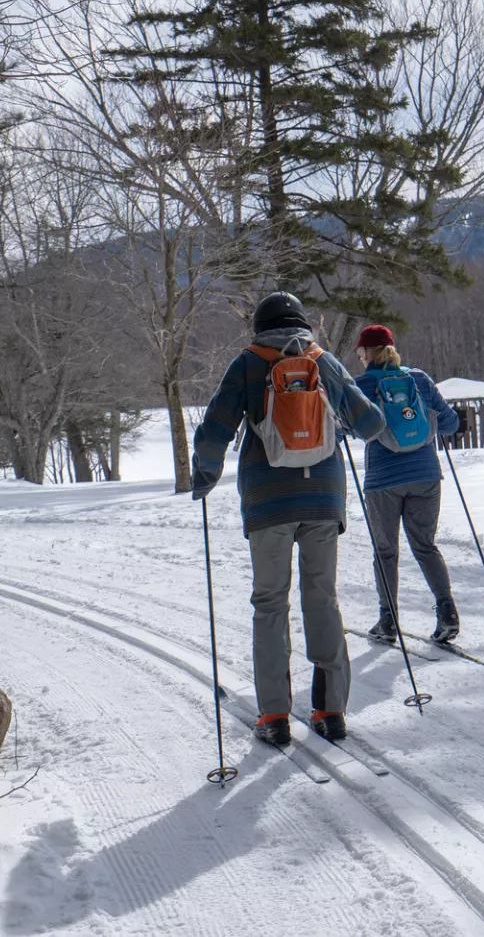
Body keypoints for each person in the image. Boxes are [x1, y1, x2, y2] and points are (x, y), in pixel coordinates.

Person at [192, 292, 385, 747]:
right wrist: (337, 424)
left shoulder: (247, 363)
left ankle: (275, 716)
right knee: (322, 598)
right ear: (303, 324)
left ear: (259, 326)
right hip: (324, 498)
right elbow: (371, 423)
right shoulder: (325, 361)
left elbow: (215, 429)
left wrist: (205, 476)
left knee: (270, 602)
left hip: (267, 500)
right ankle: (330, 710)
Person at [352, 324, 464, 645]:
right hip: (427, 476)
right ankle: (448, 612)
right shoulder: (420, 379)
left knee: (386, 551)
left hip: (383, 481)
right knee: (425, 546)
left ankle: (388, 620)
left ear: (370, 352)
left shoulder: (362, 385)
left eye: (361, 352)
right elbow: (451, 423)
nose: (360, 358)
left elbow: (348, 428)